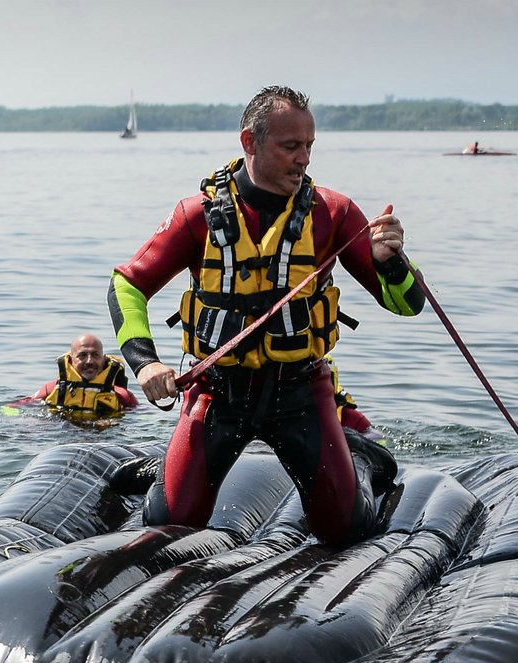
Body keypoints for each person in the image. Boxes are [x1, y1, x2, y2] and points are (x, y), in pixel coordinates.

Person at [107, 85, 421, 548]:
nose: (304, 159)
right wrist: (145, 362)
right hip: (218, 394)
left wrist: (391, 261)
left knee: (345, 531)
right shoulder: (197, 215)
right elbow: (126, 285)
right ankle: (167, 468)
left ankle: (364, 457)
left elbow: (405, 303)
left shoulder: (333, 214)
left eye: (310, 146)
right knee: (170, 523)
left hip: (300, 392)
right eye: (291, 146)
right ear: (249, 142)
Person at [29, 333, 139, 419]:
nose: (89, 361)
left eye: (95, 355)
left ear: (103, 359)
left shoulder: (122, 396)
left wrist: (114, 420)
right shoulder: (51, 390)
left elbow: (141, 417)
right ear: (71, 359)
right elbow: (22, 406)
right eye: (82, 355)